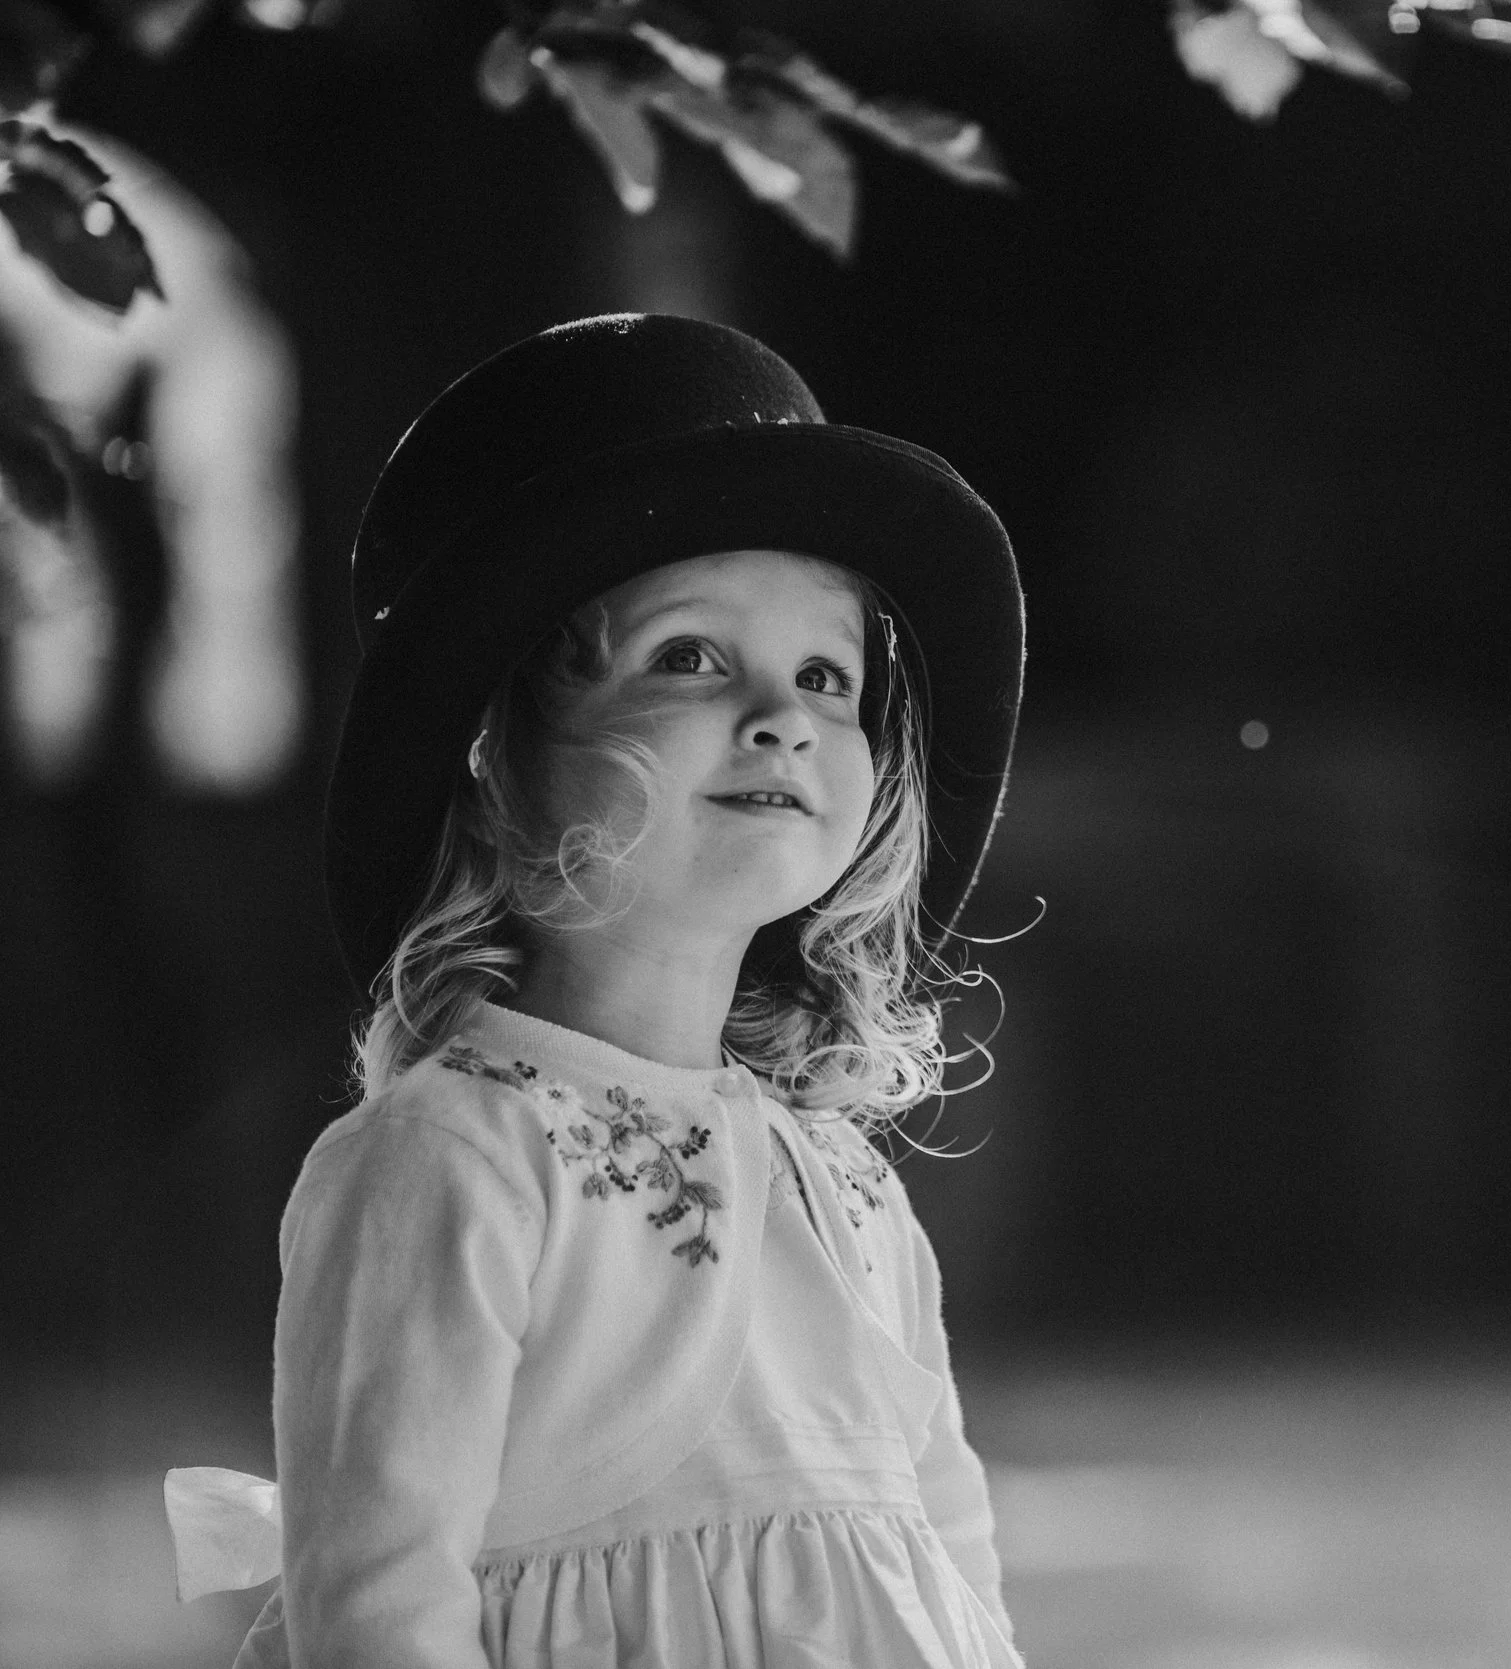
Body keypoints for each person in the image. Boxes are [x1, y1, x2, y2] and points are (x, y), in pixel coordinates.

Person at [164, 313, 1027, 1667]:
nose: (783, 715)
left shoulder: (841, 1174)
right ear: (491, 753)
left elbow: (950, 1547)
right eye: (689, 657)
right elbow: (380, 1600)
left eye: (826, 675)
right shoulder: (455, 1157)